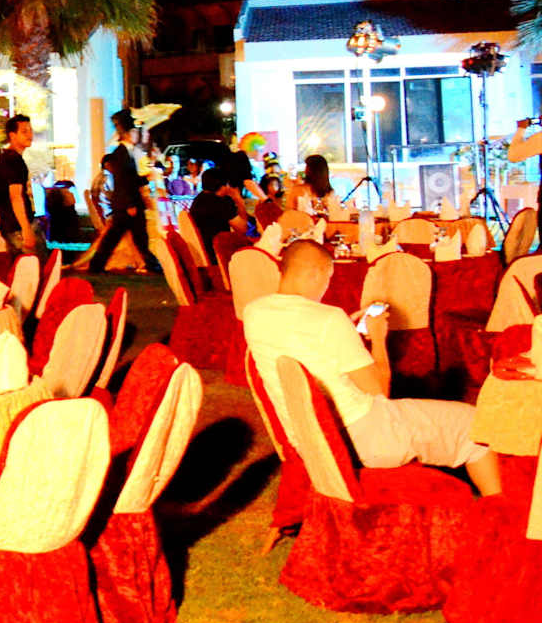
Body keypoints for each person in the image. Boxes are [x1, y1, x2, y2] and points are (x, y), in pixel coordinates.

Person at [243, 239, 500, 495]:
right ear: (316, 274)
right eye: (327, 279)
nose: (325, 287)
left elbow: (299, 338)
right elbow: (379, 391)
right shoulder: (330, 319)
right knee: (473, 422)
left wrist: (346, 333)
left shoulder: (254, 312)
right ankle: (498, 508)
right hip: (364, 435)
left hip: (308, 439)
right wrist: (378, 338)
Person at [86, 110, 159, 273]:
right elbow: (122, 181)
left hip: (128, 203)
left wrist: (145, 178)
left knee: (133, 237)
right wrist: (130, 204)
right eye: (134, 132)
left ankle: (151, 263)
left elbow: (131, 178)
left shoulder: (128, 152)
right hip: (127, 204)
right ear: (128, 133)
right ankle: (97, 265)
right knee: (119, 237)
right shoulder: (121, 154)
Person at [0, 114, 42, 256]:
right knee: (34, 266)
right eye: (24, 131)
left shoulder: (8, 158)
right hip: (17, 227)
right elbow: (16, 197)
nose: (30, 135)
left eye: (30, 130)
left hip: (12, 225)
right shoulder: (13, 161)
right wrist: (26, 228)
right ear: (12, 135)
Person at [189, 166, 245, 259]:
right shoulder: (221, 203)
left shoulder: (198, 199)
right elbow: (243, 229)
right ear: (223, 186)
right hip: (220, 254)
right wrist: (238, 200)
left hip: (202, 253)